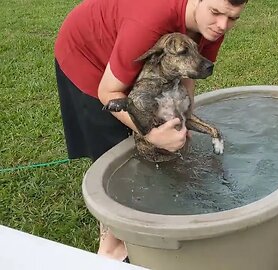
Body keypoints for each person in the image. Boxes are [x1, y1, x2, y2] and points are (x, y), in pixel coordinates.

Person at [54, 0, 247, 262]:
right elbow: (107, 92)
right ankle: (111, 248)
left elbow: (186, 72)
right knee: (112, 142)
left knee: (149, 124)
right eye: (216, 12)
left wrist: (183, 117)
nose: (223, 25)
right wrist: (150, 134)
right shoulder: (148, 22)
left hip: (127, 41)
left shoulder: (212, 25)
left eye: (233, 18)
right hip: (89, 53)